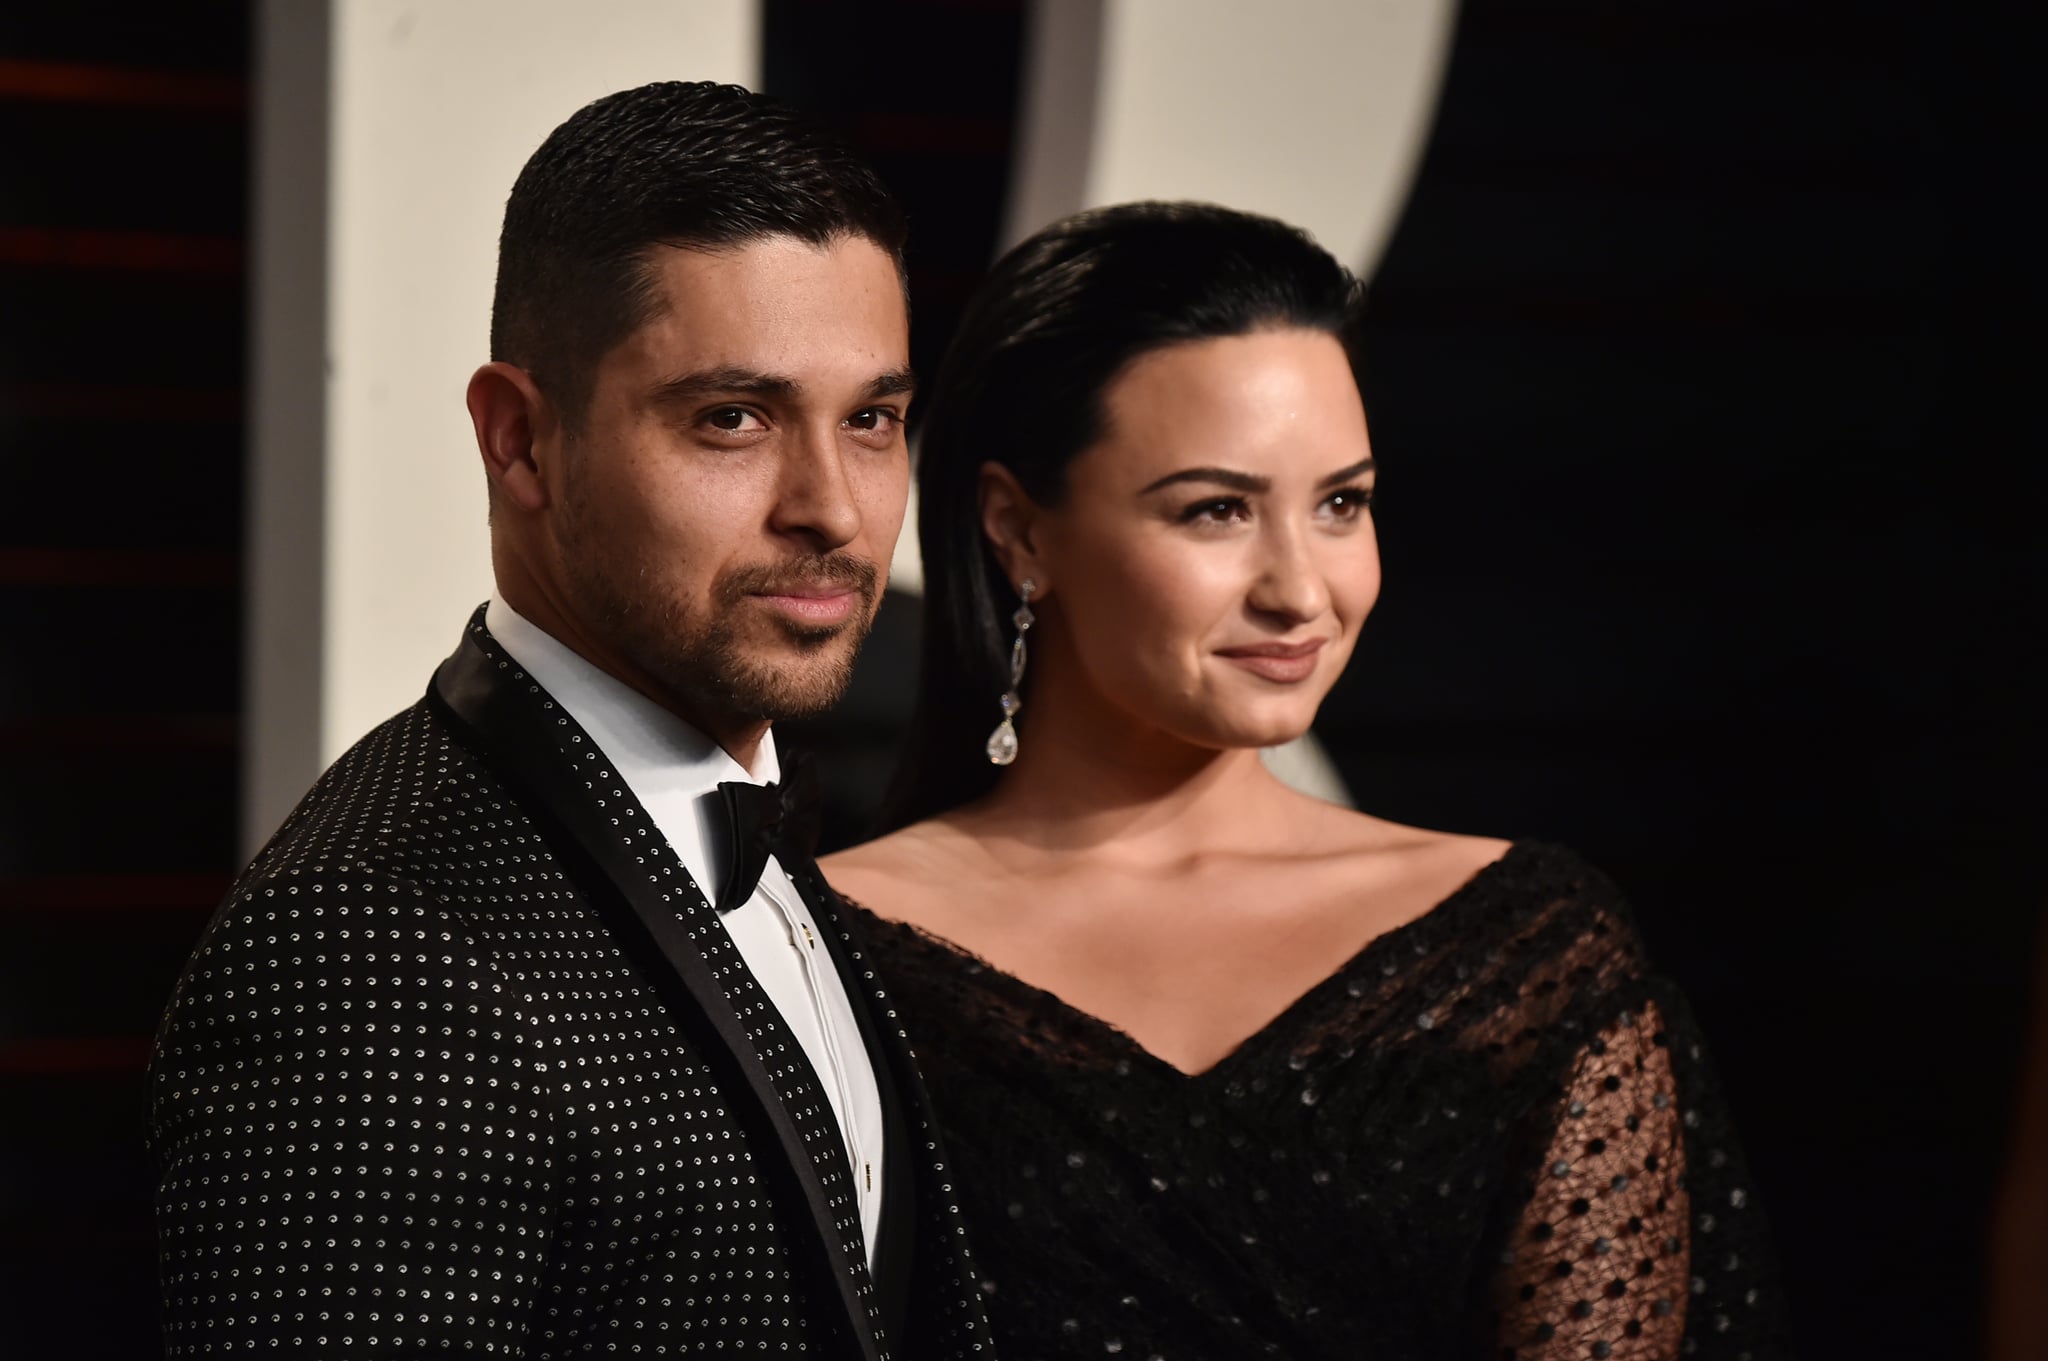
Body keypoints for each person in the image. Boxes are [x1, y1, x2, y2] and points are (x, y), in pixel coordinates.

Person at [821, 201, 1790, 1358]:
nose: (1299, 587)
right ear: (1017, 530)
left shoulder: (1524, 951)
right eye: (1216, 509)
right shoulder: (816, 957)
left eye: (1341, 502)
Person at [147, 82, 996, 1360]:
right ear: (520, 441)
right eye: (733, 418)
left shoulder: (764, 816)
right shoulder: (372, 942)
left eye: (870, 418)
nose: (831, 505)